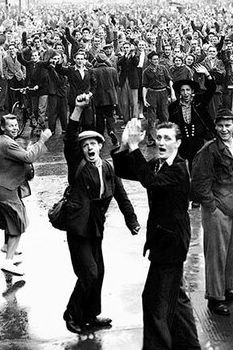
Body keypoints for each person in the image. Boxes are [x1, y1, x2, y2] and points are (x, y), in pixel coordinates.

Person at [112, 119, 200, 350]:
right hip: (162, 243)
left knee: (155, 305)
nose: (161, 142)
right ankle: (189, 345)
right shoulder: (159, 164)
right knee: (176, 301)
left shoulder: (179, 169)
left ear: (178, 143)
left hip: (171, 246)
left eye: (167, 138)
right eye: (159, 137)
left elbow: (149, 181)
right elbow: (125, 170)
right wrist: (124, 147)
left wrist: (134, 148)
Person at [62, 93, 140, 334]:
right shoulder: (77, 164)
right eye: (85, 146)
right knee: (89, 273)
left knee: (99, 272)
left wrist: (132, 220)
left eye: (92, 144)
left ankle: (91, 315)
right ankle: (72, 314)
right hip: (77, 226)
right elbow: (69, 139)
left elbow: (121, 195)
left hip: (96, 225)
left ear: (99, 146)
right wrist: (77, 110)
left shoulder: (107, 167)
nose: (88, 148)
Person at [191, 108, 233, 316]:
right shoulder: (209, 150)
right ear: (215, 127)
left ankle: (226, 288)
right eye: (220, 126)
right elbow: (199, 181)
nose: (224, 129)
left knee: (231, 250)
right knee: (216, 253)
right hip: (218, 207)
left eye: (228, 125)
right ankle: (215, 298)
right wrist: (211, 206)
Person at [0, 115, 52, 276]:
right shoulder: (7, 143)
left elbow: (22, 154)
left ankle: (6, 246)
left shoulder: (4, 141)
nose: (15, 128)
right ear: (3, 128)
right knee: (19, 223)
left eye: (16, 125)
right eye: (11, 125)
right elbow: (28, 157)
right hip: (6, 189)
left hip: (1, 186)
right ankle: (8, 261)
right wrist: (42, 140)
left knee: (9, 220)